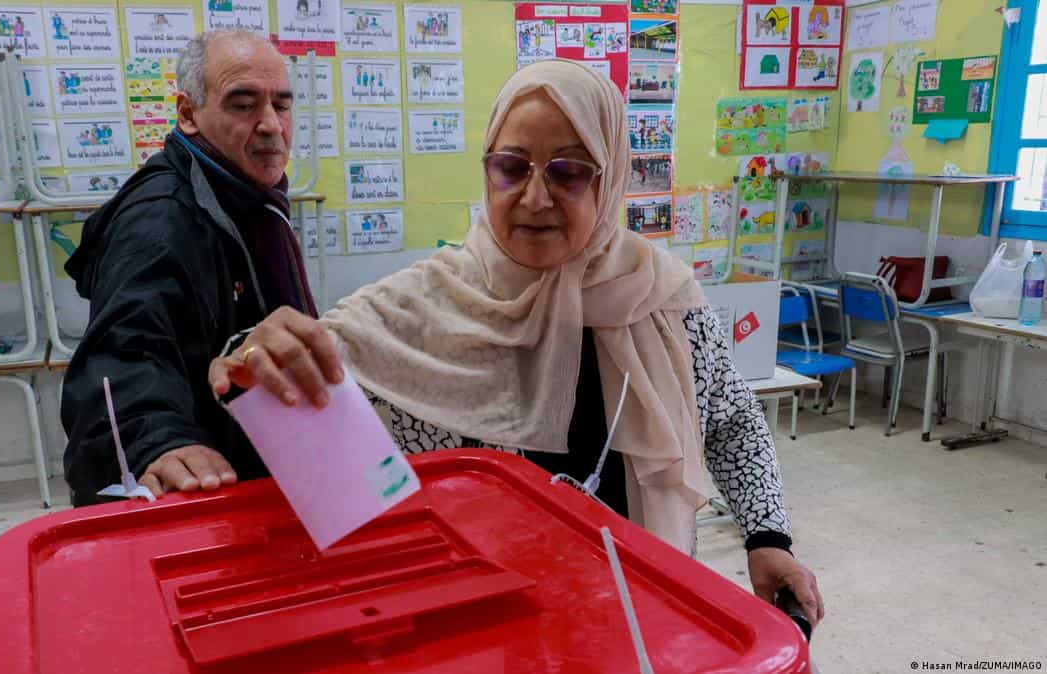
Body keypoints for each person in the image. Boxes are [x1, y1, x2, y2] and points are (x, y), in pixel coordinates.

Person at [208, 60, 825, 626]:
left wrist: (767, 537)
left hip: (643, 609)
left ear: (609, 180)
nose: (534, 198)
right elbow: (302, 370)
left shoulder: (660, 298)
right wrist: (252, 350)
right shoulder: (426, 305)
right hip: (476, 620)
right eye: (511, 166)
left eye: (569, 171)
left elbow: (730, 421)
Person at [60, 29, 317, 506]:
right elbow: (126, 347)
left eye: (281, 105)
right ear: (187, 114)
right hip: (203, 488)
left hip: (251, 466)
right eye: (243, 104)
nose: (270, 125)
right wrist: (156, 438)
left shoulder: (243, 195)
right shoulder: (160, 219)